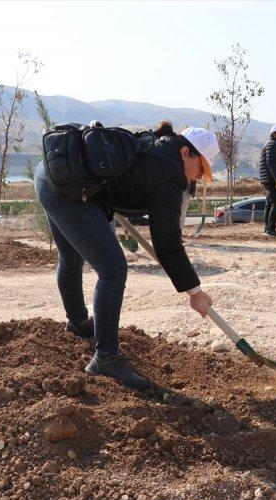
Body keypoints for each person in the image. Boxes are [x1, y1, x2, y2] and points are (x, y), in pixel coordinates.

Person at [35, 124, 218, 390]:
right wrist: (195, 292)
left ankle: (79, 323)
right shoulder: (168, 173)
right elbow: (167, 243)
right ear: (184, 152)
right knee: (113, 269)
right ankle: (106, 358)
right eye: (200, 166)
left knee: (72, 257)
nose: (200, 175)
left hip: (52, 173)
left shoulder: (158, 148)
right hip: (67, 187)